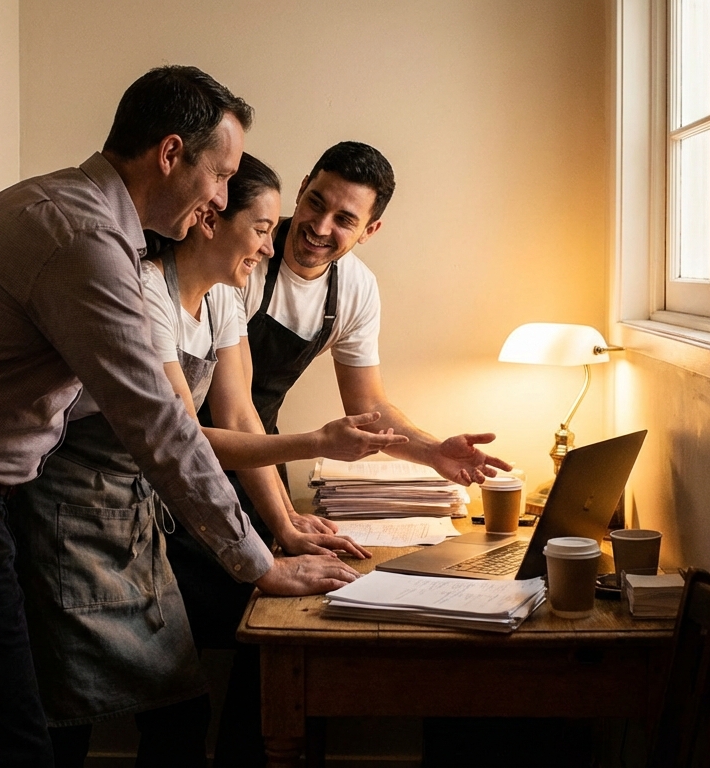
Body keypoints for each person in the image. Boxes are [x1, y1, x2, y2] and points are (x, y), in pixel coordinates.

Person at [0, 66, 358, 767]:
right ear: (170, 155)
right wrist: (259, 565)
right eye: (221, 176)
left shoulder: (66, 209)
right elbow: (160, 427)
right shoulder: (83, 241)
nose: (222, 199)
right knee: (4, 743)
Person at [8, 153, 402, 767]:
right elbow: (180, 437)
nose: (274, 248)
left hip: (141, 510)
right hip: (77, 510)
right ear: (211, 221)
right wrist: (315, 449)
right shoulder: (144, 292)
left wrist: (285, 528)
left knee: (177, 711)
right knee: (71, 709)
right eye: (263, 228)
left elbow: (240, 417)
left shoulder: (222, 298)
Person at [167, 141, 513, 766]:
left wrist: (433, 452)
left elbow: (368, 406)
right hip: (200, 460)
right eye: (315, 203)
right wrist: (280, 521)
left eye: (345, 219)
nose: (318, 229)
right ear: (302, 189)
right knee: (261, 615)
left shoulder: (354, 289)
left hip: (255, 458)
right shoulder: (239, 263)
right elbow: (221, 413)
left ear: (371, 229)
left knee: (288, 609)